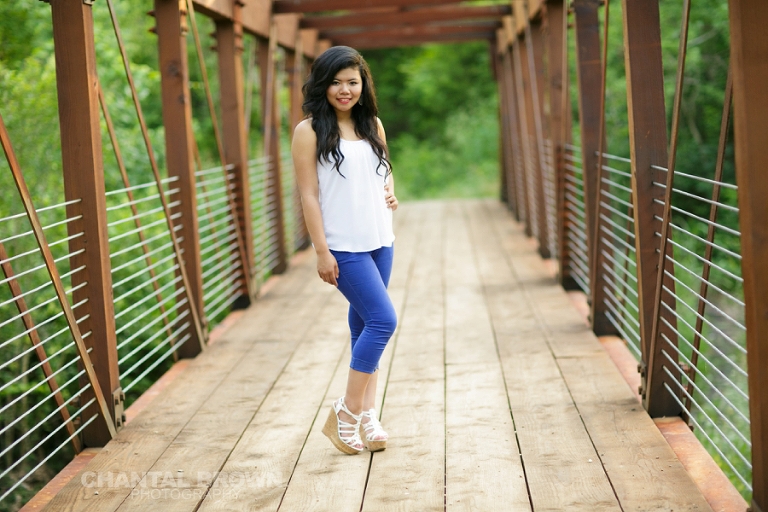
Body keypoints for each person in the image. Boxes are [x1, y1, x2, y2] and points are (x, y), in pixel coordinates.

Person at [292, 46, 398, 455]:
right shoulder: (310, 131)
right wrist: (322, 251)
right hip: (343, 246)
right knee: (383, 321)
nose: (344, 90)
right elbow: (308, 194)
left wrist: (391, 193)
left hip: (380, 239)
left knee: (362, 328)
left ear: (362, 84)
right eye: (336, 82)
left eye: (352, 82)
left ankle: (369, 416)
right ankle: (348, 411)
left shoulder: (373, 124)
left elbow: (384, 173)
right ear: (323, 83)